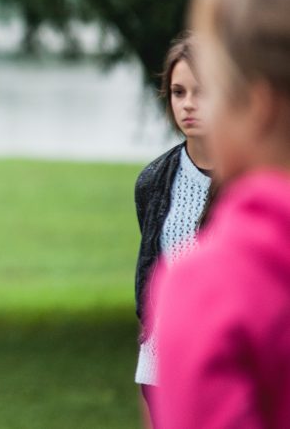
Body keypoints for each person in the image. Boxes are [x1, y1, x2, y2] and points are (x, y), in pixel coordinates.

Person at [153, 0, 290, 427]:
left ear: (256, 106)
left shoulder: (212, 285)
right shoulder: (157, 180)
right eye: (180, 92)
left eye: (216, 92)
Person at [132, 33, 214, 425]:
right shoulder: (153, 181)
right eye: (178, 92)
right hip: (163, 365)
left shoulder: (254, 179)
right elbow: (151, 269)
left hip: (226, 360)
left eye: (201, 92)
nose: (188, 105)